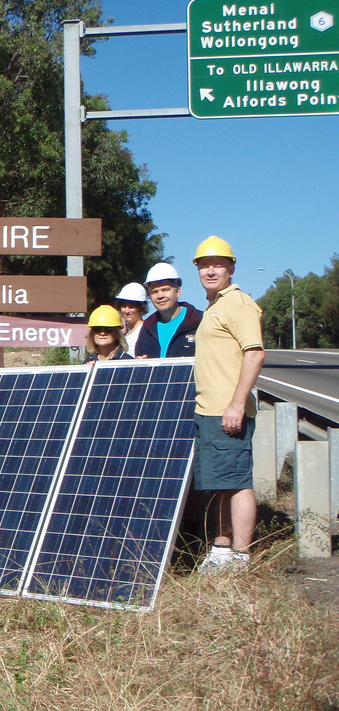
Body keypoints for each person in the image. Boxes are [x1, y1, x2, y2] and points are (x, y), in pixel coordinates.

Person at [191, 236, 265, 574]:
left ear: (231, 268)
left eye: (218, 265)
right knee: (222, 483)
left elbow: (255, 353)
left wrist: (236, 404)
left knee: (237, 482)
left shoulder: (238, 303)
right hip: (210, 411)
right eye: (204, 265)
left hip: (227, 411)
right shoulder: (215, 306)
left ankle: (241, 556)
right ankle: (222, 548)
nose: (210, 270)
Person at [134, 262, 203, 359]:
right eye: (154, 292)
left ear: (178, 292)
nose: (160, 296)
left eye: (165, 290)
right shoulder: (147, 328)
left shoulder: (200, 321)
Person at [115, 282, 148, 355]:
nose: (127, 311)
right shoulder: (127, 333)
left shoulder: (145, 331)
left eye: (131, 307)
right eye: (124, 306)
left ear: (141, 307)